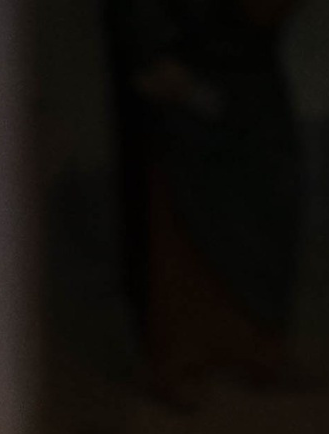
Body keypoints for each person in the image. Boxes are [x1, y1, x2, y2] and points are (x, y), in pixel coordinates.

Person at [101, 0, 305, 405]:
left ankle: (253, 350)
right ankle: (184, 362)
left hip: (250, 81)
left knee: (264, 208)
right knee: (184, 221)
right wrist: (154, 55)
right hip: (182, 78)